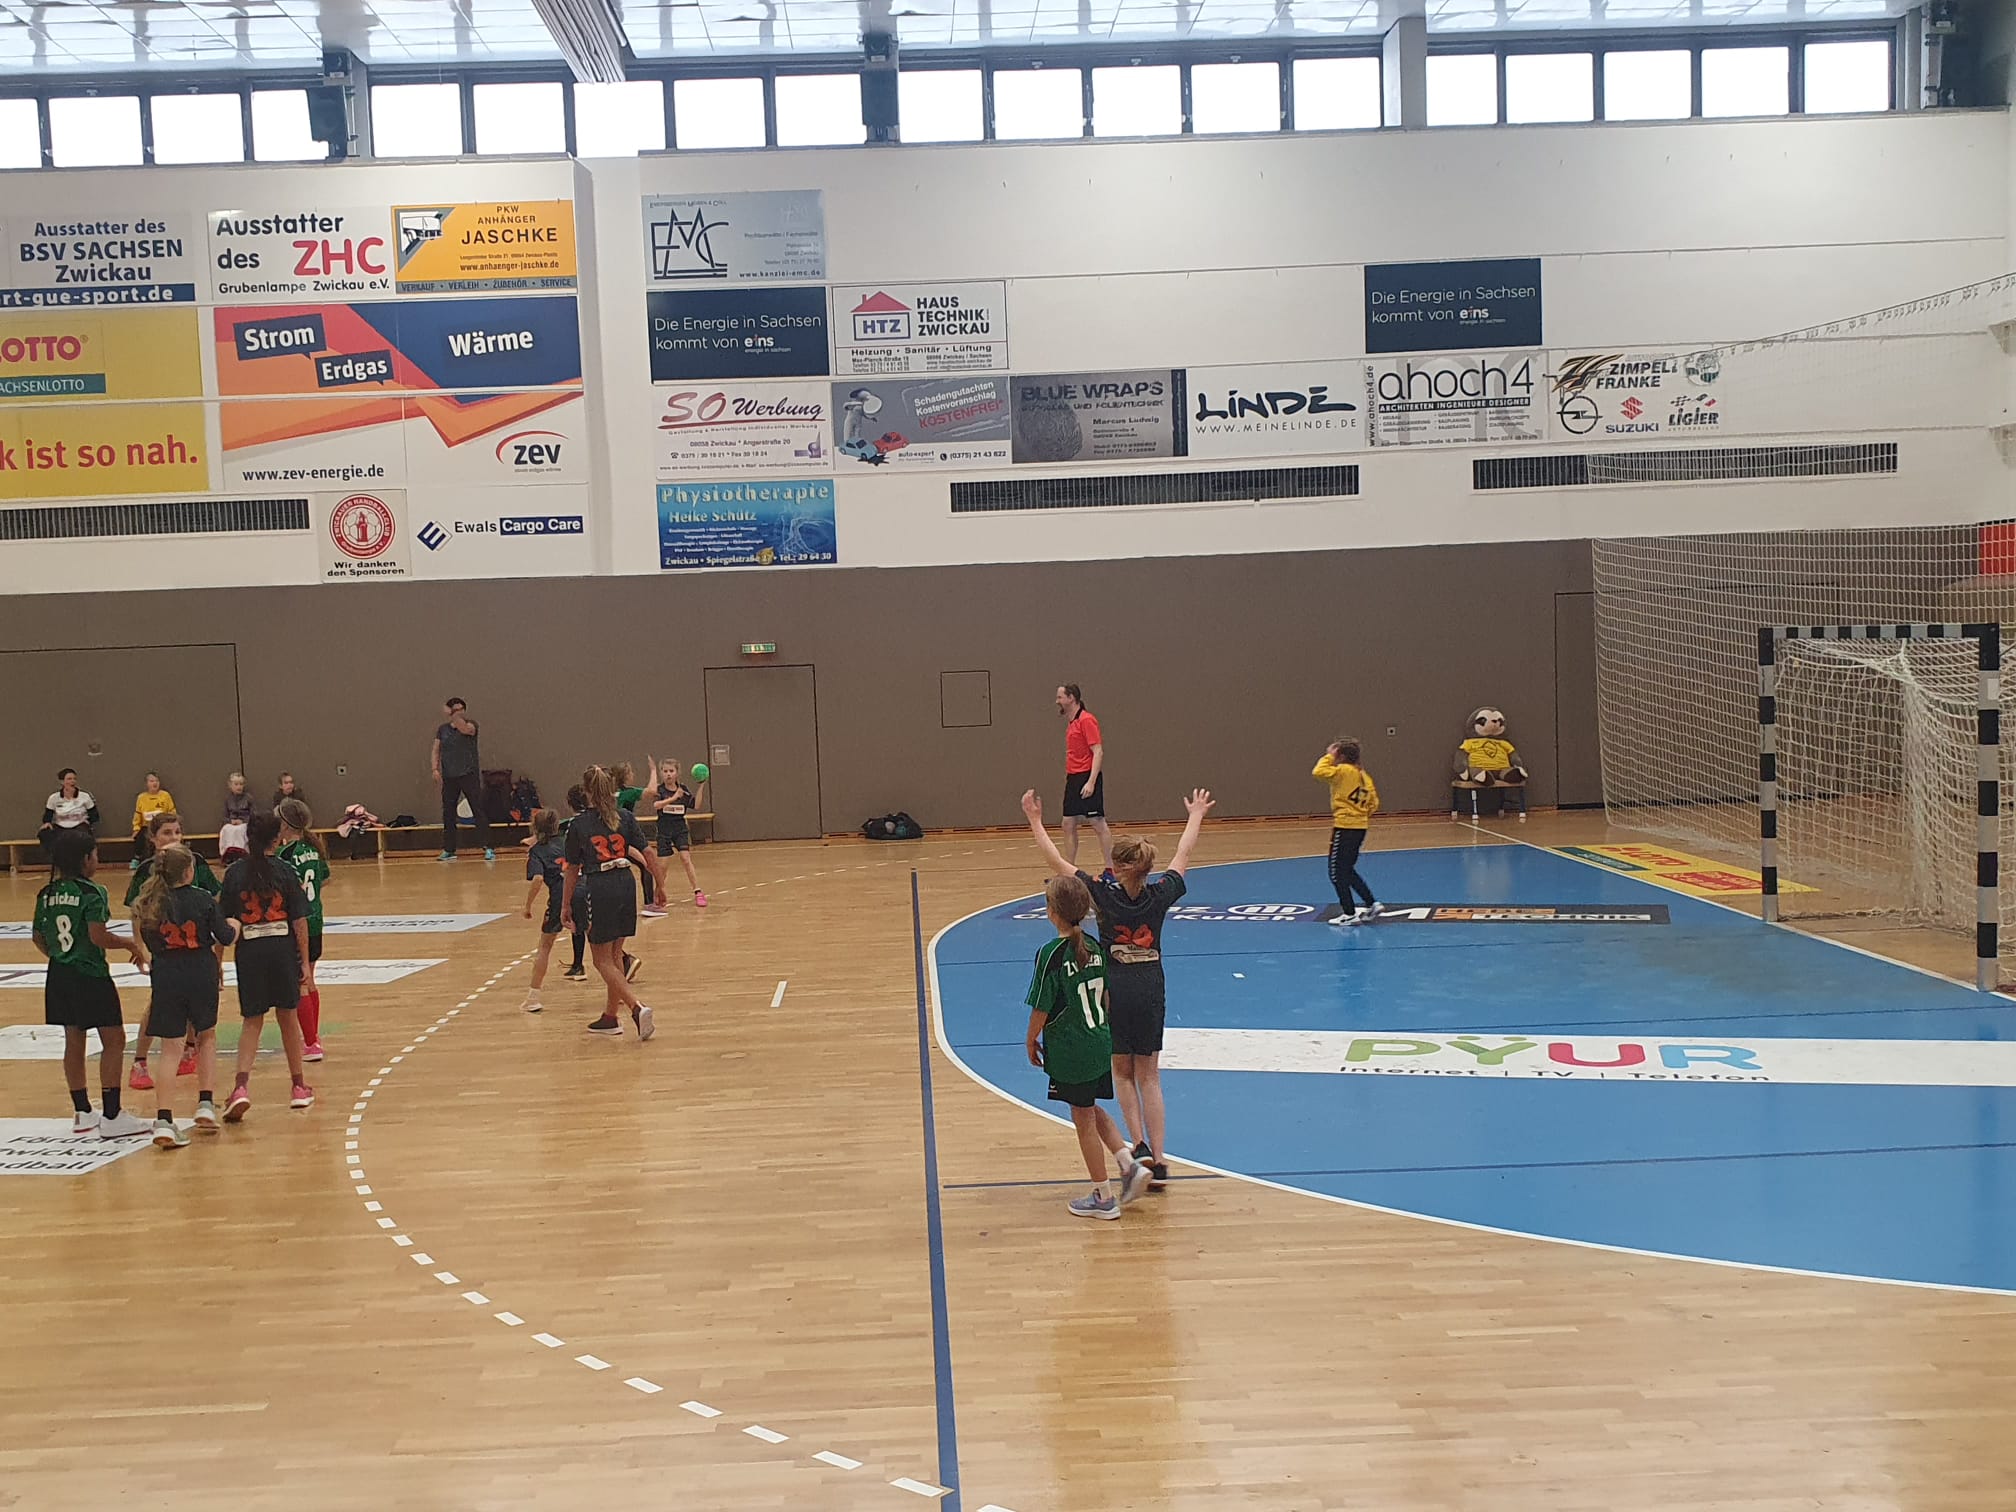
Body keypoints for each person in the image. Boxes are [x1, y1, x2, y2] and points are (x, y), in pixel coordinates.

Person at [1023, 785, 1213, 1191]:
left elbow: (1057, 861)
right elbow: (1183, 855)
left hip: (1116, 989)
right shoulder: (1159, 894)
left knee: (1123, 1074)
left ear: (1118, 865)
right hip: (1151, 987)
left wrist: (1036, 821)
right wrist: (1195, 815)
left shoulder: (1102, 893)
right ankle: (1160, 1161)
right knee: (1150, 1076)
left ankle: (1137, 1146)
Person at [1024, 873, 1151, 1220]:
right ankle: (1128, 1164)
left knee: (1082, 1119)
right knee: (1088, 1106)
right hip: (1098, 1039)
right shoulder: (1094, 946)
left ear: (1052, 912)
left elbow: (1041, 1005)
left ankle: (1103, 1196)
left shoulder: (1051, 953)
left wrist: (1031, 1038)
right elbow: (1106, 997)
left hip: (1072, 1047)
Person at [32, 829, 148, 1139]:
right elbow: (98, 936)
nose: (97, 859)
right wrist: (129, 944)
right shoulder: (92, 892)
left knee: (74, 1040)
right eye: (95, 854)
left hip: (59, 974)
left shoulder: (46, 893)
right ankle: (112, 1115)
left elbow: (38, 936)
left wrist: (60, 955)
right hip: (90, 975)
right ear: (85, 859)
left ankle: (82, 1111)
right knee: (114, 1040)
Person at [129, 845, 236, 1148]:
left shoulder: (150, 903)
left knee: (170, 1049)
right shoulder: (202, 899)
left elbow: (149, 944)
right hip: (200, 972)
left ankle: (164, 1120)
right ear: (189, 871)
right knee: (206, 1037)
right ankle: (205, 1103)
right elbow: (225, 936)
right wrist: (235, 925)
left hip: (166, 975)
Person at [219, 812, 314, 1121]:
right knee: (288, 1017)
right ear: (278, 838)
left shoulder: (234, 874)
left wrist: (217, 961)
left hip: (249, 951)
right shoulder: (285, 871)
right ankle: (298, 1087)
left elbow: (224, 924)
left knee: (252, 1021)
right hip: (281, 949)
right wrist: (305, 962)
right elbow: (299, 921)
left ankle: (240, 1087)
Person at [126, 812, 220, 1092]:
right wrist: (141, 949)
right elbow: (137, 912)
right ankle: (140, 1061)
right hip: (165, 950)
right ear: (153, 838)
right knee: (157, 1004)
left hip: (195, 950)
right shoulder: (147, 870)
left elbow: (215, 904)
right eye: (167, 833)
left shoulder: (196, 863)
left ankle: (189, 1050)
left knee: (195, 1007)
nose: (173, 838)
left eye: (177, 832)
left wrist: (217, 958)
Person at [562, 767, 656, 1040]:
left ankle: (637, 1007)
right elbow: (647, 853)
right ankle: (610, 1017)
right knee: (615, 956)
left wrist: (565, 905)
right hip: (626, 883)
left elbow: (572, 869)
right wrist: (660, 886)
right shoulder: (624, 816)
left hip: (600, 886)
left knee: (601, 960)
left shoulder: (578, 825)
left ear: (586, 792)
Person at [276, 799, 331, 1062]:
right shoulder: (314, 849)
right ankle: (313, 1036)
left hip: (297, 923)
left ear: (285, 824)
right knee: (309, 979)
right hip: (316, 919)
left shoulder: (285, 854)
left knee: (300, 982)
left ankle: (311, 1043)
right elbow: (326, 878)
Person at [1313, 739, 1382, 926]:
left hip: (1344, 827)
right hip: (1360, 827)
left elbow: (1319, 772)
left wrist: (1329, 756)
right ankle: (1371, 903)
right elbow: (1374, 803)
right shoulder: (1363, 775)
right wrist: (1360, 815)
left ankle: (1349, 913)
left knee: (1336, 872)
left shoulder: (1343, 771)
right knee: (1347, 869)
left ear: (1341, 756)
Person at [1055, 685, 1114, 878]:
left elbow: (1098, 751)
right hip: (1073, 777)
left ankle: (1110, 869)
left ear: (1071, 698)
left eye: (1060, 697)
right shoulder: (1072, 722)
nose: (1057, 701)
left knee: (1098, 823)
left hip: (1087, 775)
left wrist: (1091, 782)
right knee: (1068, 823)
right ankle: (1069, 871)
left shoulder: (1087, 720)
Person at [431, 698, 494, 862]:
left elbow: (464, 729)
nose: (457, 712)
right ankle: (449, 849)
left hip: (468, 775)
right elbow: (436, 749)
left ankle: (487, 847)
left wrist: (454, 715)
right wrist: (435, 769)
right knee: (448, 813)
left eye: (459, 709)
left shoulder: (471, 725)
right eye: (454, 709)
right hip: (449, 777)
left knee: (477, 809)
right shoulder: (442, 730)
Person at [645, 755, 708, 911]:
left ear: (677, 773)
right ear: (661, 773)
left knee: (686, 859)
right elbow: (657, 805)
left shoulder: (683, 789)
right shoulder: (660, 790)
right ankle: (658, 893)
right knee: (663, 867)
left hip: (680, 830)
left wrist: (701, 786)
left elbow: (696, 805)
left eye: (671, 771)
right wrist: (673, 798)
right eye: (665, 771)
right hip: (664, 831)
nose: (668, 774)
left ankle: (698, 891)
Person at [521, 809, 565, 1013]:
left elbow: (538, 879)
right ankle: (618, 989)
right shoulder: (568, 842)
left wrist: (527, 906)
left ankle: (533, 998)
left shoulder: (537, 851)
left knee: (545, 946)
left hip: (560, 899)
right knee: (601, 946)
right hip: (584, 891)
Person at [611, 762, 659, 916]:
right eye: (630, 772)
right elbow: (651, 791)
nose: (633, 775)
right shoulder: (628, 793)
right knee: (646, 865)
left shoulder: (609, 793)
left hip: (608, 838)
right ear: (625, 776)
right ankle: (650, 904)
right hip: (625, 838)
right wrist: (653, 770)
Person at [40, 768, 99, 854]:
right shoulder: (54, 798)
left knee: (78, 838)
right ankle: (55, 858)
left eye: (74, 779)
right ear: (62, 782)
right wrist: (47, 822)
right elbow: (47, 816)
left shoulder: (85, 796)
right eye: (69, 779)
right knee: (45, 834)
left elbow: (95, 816)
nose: (72, 781)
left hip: (80, 826)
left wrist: (88, 822)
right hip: (60, 827)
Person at [131, 772, 176, 856]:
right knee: (141, 837)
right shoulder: (141, 797)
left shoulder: (165, 795)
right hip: (147, 826)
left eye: (157, 781)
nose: (155, 783)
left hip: (162, 825)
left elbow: (172, 812)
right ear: (147, 783)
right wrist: (136, 828)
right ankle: (138, 857)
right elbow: (138, 815)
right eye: (151, 781)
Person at [220, 772, 255, 861]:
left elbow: (254, 815)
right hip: (231, 823)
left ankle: (242, 854)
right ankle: (228, 855)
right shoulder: (228, 799)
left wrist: (243, 821)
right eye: (236, 784)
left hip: (244, 823)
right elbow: (224, 817)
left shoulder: (249, 798)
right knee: (226, 829)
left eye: (241, 784)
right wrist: (231, 821)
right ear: (230, 785)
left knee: (240, 830)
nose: (239, 787)